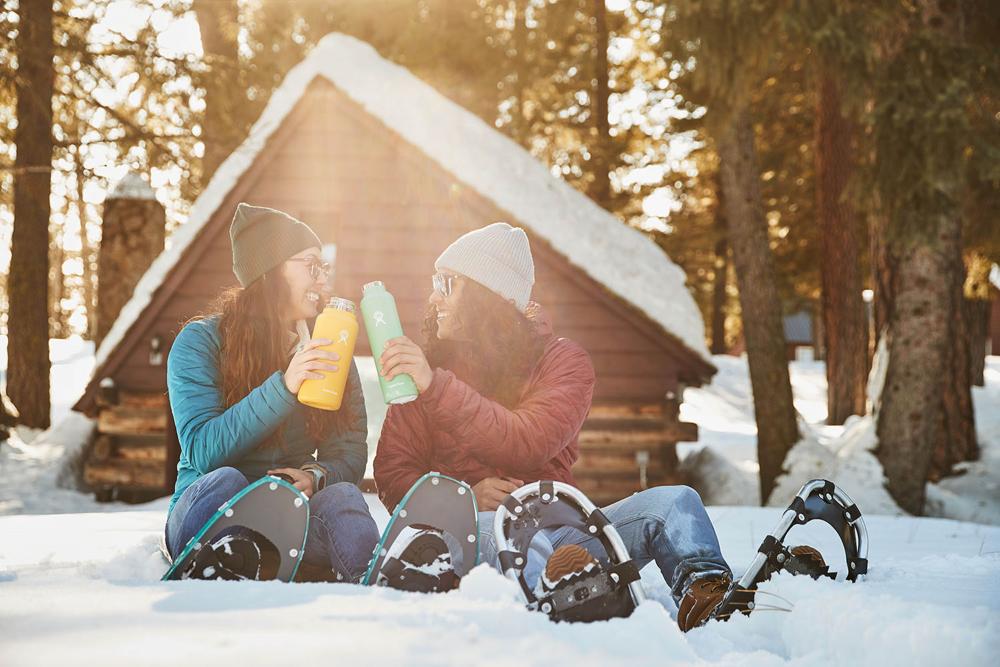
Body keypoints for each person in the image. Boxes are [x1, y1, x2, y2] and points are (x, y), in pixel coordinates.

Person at [373, 222, 734, 630]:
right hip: (470, 537)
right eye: (434, 282)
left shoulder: (563, 362)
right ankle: (565, 599)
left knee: (674, 503)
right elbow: (393, 475)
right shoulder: (425, 374)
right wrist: (464, 498)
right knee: (491, 526)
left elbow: (528, 440)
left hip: (563, 538)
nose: (433, 296)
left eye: (447, 283)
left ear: (485, 295)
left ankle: (712, 602)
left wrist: (437, 388)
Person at [165, 203, 378, 582]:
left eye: (324, 268)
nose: (323, 281)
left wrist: (316, 475)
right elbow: (202, 450)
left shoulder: (328, 345)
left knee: (344, 497)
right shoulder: (200, 342)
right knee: (227, 481)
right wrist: (285, 387)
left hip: (289, 517)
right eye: (311, 266)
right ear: (271, 269)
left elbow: (348, 450)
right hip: (207, 513)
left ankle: (383, 584)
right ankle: (217, 569)